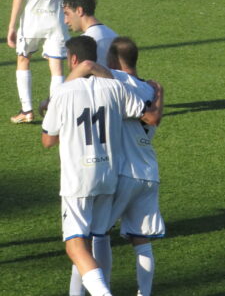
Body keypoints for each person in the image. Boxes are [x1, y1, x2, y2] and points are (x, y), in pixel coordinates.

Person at [42, 36, 161, 296]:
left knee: (76, 245)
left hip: (77, 177)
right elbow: (149, 115)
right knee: (99, 237)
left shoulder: (62, 92)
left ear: (72, 59)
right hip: (108, 174)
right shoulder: (115, 87)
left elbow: (48, 140)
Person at [7, 0, 77, 124]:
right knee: (56, 67)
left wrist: (12, 25)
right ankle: (55, 112)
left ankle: (26, 111)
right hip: (56, 20)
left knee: (23, 59)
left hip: (32, 20)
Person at [63, 0, 118, 66]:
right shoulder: (115, 36)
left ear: (79, 11)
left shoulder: (82, 44)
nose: (65, 21)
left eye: (67, 14)